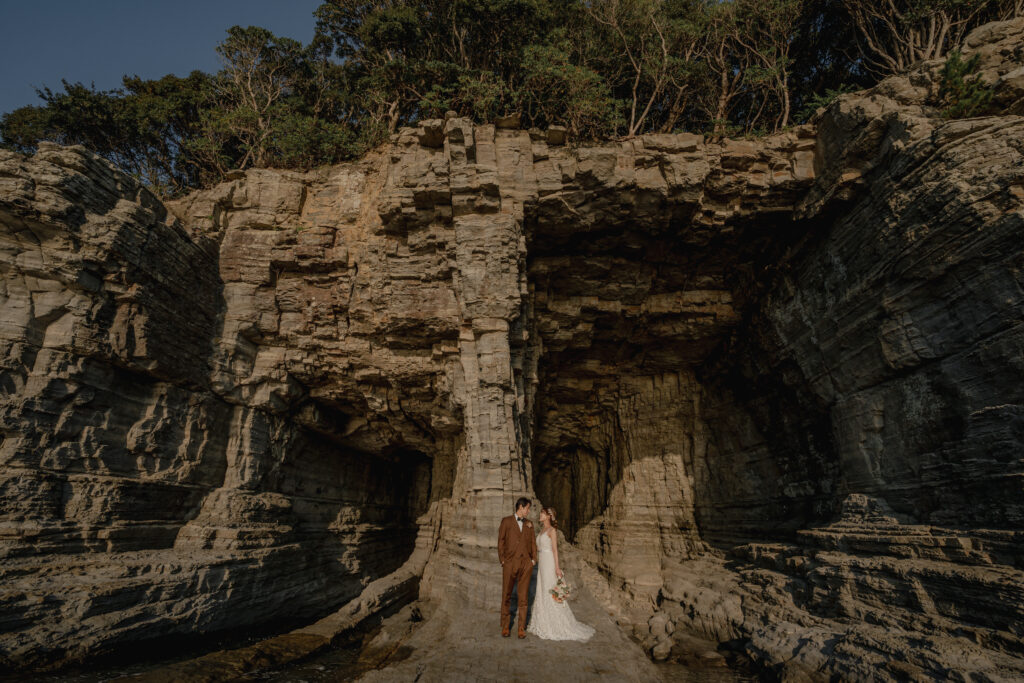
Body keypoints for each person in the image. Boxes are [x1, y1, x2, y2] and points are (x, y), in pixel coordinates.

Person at [526, 506, 595, 641]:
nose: (540, 515)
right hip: (542, 563)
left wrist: (557, 568)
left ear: (549, 516)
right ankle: (543, 621)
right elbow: (537, 547)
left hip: (549, 562)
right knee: (541, 590)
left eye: (542, 513)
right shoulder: (541, 531)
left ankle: (555, 623)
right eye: (541, 513)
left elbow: (555, 550)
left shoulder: (552, 531)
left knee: (549, 590)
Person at [497, 497, 537, 638]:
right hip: (510, 563)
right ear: (521, 507)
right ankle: (505, 626)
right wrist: (503, 560)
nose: (529, 511)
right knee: (506, 595)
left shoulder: (529, 524)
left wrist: (533, 560)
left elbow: (533, 543)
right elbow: (501, 541)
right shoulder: (506, 521)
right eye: (527, 508)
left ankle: (521, 627)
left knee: (523, 597)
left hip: (526, 564)